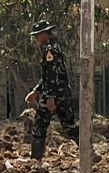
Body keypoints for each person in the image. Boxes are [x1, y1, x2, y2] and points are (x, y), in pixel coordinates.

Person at [24, 19, 80, 163]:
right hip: (60, 93)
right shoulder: (54, 47)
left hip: (55, 93)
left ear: (45, 34)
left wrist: (50, 97)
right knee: (69, 125)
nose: (36, 38)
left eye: (38, 35)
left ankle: (36, 159)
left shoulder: (49, 50)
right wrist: (36, 92)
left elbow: (51, 76)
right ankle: (90, 151)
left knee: (39, 124)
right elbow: (47, 76)